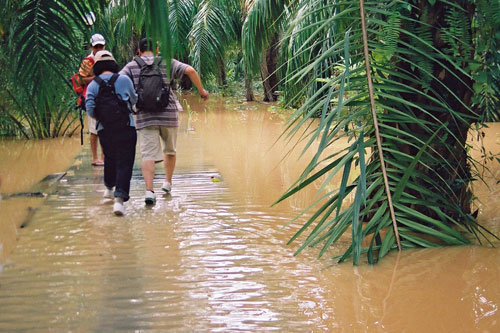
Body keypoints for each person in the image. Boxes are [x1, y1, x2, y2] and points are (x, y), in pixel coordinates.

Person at [120, 38, 209, 205]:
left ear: (139, 51)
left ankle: (149, 191)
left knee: (147, 154)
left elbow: (119, 81)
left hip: (145, 116)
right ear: (157, 50)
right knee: (170, 150)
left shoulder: (132, 66)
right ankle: (167, 183)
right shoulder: (167, 62)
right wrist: (202, 91)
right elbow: (189, 70)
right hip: (168, 114)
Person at [85, 51, 138, 216]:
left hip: (104, 130)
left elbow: (90, 109)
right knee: (125, 162)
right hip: (126, 127)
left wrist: (103, 118)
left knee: (109, 158)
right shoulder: (124, 79)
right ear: (113, 64)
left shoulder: (93, 84)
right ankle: (119, 200)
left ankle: (108, 188)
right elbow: (134, 99)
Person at [78, 33, 107, 166]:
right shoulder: (87, 61)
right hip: (92, 98)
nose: (99, 49)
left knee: (106, 129)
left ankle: (104, 157)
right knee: (94, 130)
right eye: (96, 47)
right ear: (91, 47)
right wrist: (97, 77)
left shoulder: (108, 59)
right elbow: (81, 79)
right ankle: (95, 158)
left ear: (104, 46)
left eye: (101, 46)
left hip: (106, 98)